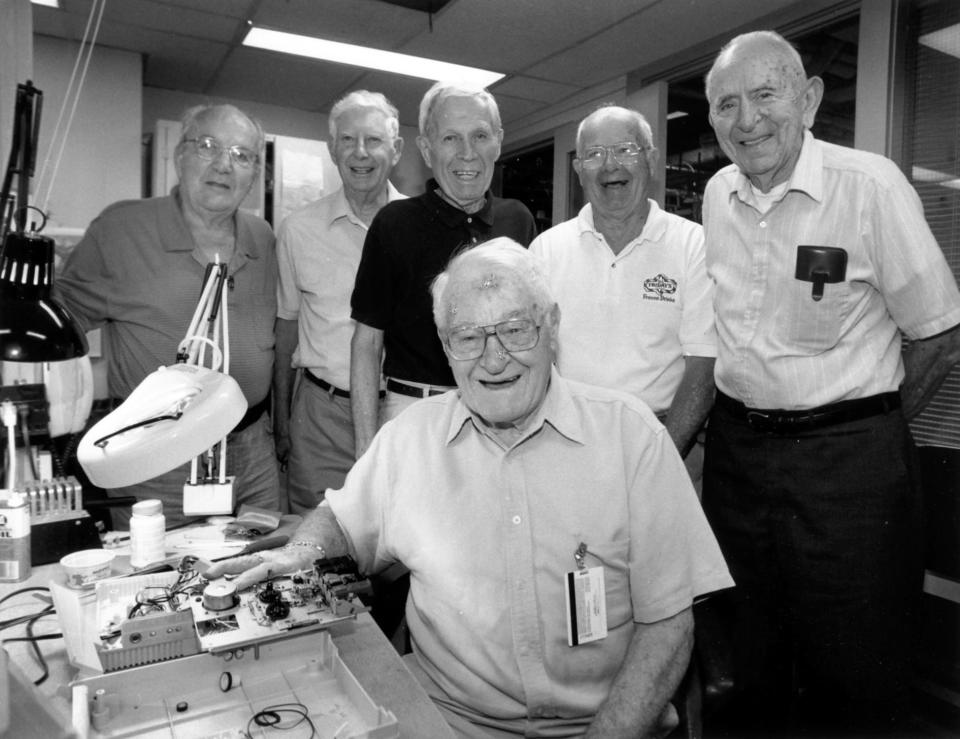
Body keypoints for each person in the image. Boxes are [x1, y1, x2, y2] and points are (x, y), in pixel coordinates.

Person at [206, 238, 732, 738]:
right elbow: (341, 522)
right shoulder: (408, 440)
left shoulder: (631, 436)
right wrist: (303, 552)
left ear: (552, 326)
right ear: (445, 347)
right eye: (469, 337)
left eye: (515, 329)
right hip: (445, 722)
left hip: (606, 725)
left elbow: (668, 627)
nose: (494, 357)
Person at [700, 30, 960, 737]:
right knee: (745, 663)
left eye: (765, 94)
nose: (747, 119)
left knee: (857, 671)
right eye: (727, 105)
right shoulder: (718, 194)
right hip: (738, 458)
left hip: (850, 468)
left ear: (808, 98)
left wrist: (870, 427)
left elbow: (938, 332)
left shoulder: (869, 187)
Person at [58, 104, 280, 529]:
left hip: (252, 451)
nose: (223, 165)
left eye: (241, 154)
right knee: (159, 578)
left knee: (263, 572)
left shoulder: (262, 237)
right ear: (180, 154)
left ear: (255, 174)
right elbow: (58, 324)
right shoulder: (122, 229)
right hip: (158, 456)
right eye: (209, 146)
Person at [349, 80, 536, 459]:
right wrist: (367, 454)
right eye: (451, 138)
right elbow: (366, 345)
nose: (468, 154)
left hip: (505, 416)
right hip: (414, 417)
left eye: (480, 135)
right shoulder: (393, 224)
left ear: (498, 141)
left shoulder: (517, 221)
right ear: (426, 148)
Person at [530, 105, 715, 483]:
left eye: (625, 150)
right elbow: (532, 359)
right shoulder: (545, 251)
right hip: (567, 444)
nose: (610, 165)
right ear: (579, 168)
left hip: (667, 442)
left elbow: (703, 367)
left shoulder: (693, 244)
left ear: (650, 159)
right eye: (594, 154)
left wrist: (661, 461)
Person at [274, 91, 405, 514]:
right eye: (347, 140)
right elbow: (286, 328)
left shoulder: (420, 228)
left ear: (396, 149)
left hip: (400, 414)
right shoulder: (298, 230)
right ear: (332, 149)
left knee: (399, 543)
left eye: (374, 140)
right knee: (314, 546)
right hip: (321, 418)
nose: (360, 153)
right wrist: (281, 420)